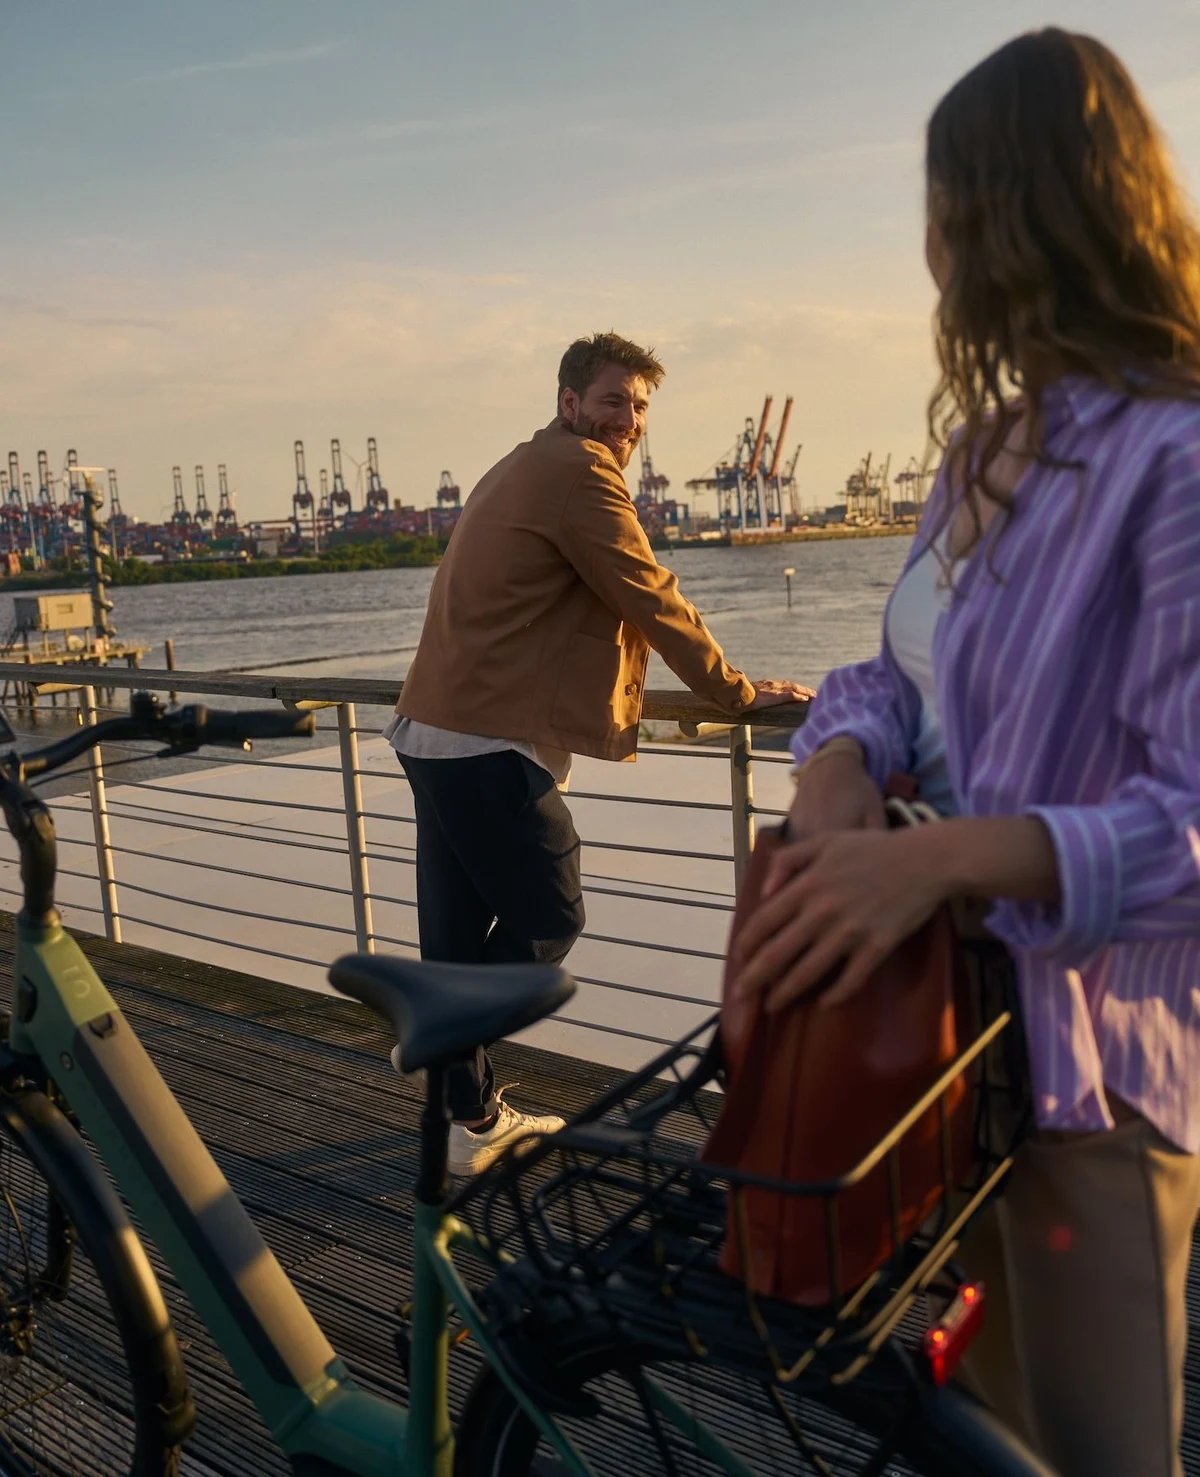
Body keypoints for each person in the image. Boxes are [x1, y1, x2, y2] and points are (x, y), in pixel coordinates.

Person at [731, 28, 1200, 1477]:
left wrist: (932, 855)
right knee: (979, 1430)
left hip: (1088, 1076)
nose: (927, 245)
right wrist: (837, 770)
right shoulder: (983, 446)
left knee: (1100, 1451)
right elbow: (897, 671)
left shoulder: (1177, 458)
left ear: (1009, 213)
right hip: (946, 1045)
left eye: (943, 205)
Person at [387, 331, 810, 1176]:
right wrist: (733, 693)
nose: (630, 421)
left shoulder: (521, 463)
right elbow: (650, 592)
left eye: (642, 406)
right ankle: (445, 1043)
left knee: (458, 940)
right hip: (483, 737)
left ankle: (468, 1106)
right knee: (552, 910)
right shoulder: (579, 472)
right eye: (615, 401)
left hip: (433, 727)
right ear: (571, 401)